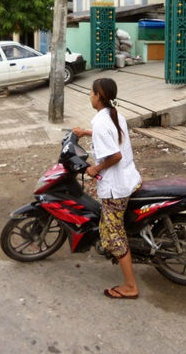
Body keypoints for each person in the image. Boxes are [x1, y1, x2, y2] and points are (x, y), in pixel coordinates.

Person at [73, 78, 141, 300]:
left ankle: (130, 286)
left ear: (98, 96)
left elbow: (115, 155)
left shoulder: (102, 123)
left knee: (112, 235)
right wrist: (85, 132)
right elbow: (112, 138)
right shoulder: (115, 114)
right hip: (129, 178)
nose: (89, 96)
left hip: (116, 187)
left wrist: (95, 168)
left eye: (91, 93)